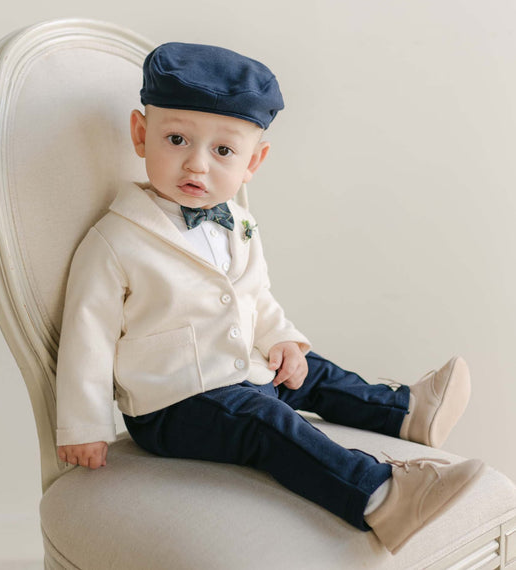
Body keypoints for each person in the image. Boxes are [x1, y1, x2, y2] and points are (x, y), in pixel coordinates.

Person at [56, 42, 483, 554]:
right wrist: (83, 425)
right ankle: (379, 494)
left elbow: (255, 295)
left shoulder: (238, 221)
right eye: (176, 139)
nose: (196, 165)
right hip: (174, 404)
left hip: (239, 371)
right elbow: (88, 334)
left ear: (253, 161)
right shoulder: (117, 239)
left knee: (309, 370)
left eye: (223, 151)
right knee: (267, 424)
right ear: (141, 135)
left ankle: (404, 411)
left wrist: (282, 340)